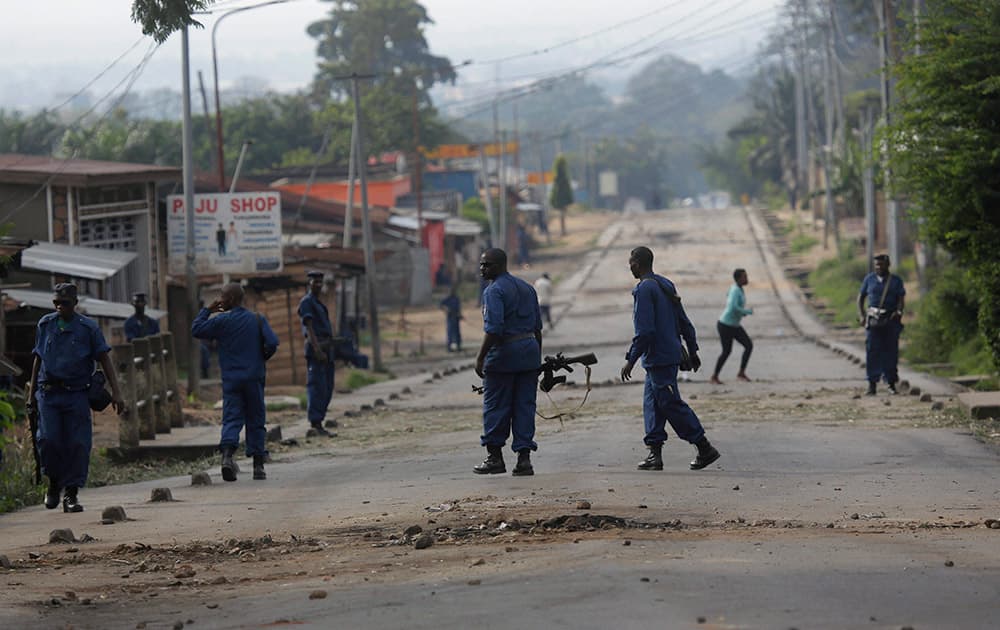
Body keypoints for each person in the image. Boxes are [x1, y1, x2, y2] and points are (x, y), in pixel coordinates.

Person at [25, 283, 124, 513]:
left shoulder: (88, 328)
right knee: (48, 440)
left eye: (65, 303)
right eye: (56, 303)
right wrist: (31, 396)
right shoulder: (45, 324)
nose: (60, 307)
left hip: (77, 393)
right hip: (48, 393)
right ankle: (53, 483)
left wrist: (117, 392)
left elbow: (104, 358)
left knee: (78, 443)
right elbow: (37, 359)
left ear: (75, 303)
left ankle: (71, 492)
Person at [620, 246, 720, 472]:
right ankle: (654, 453)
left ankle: (703, 446)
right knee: (652, 404)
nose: (630, 267)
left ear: (637, 264)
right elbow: (684, 320)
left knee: (670, 403)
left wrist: (631, 359)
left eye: (631, 263)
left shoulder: (645, 289)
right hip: (663, 356)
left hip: (659, 357)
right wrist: (692, 350)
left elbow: (645, 331)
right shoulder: (665, 284)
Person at [192, 282, 279, 481]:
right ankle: (258, 467)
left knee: (232, 418)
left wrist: (208, 309)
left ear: (229, 300)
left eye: (221, 296)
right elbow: (272, 343)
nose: (220, 300)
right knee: (256, 419)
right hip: (254, 378)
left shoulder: (222, 321)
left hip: (232, 379)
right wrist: (261, 358)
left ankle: (227, 458)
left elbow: (196, 329)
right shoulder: (257, 319)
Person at [474, 248, 542, 477]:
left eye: (487, 265)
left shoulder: (493, 291)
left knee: (496, 406)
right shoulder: (527, 288)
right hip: (529, 352)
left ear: (500, 265)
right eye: (482, 264)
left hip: (504, 355)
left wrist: (481, 357)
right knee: (525, 406)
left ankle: (495, 457)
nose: (482, 269)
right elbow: (537, 328)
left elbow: (494, 329)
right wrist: (536, 358)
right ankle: (524, 460)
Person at [857, 254, 906, 395]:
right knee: (872, 351)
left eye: (881, 264)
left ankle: (891, 383)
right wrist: (862, 315)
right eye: (876, 265)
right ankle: (872, 384)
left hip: (890, 320)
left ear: (888, 265)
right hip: (873, 321)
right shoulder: (869, 279)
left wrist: (899, 312)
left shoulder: (896, 281)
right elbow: (860, 298)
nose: (878, 267)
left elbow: (901, 299)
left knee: (890, 352)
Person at [297, 271, 336, 436]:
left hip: (326, 348)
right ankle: (315, 422)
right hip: (316, 349)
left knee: (327, 386)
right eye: (315, 282)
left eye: (321, 282)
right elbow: (309, 327)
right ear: (309, 283)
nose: (318, 285)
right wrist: (317, 349)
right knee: (317, 386)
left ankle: (320, 420)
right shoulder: (307, 302)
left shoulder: (318, 303)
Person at [709, 268, 754, 384]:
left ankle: (741, 373)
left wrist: (741, 312)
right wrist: (746, 312)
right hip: (725, 325)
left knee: (748, 345)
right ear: (738, 279)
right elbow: (733, 307)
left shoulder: (738, 289)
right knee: (726, 351)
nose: (747, 278)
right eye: (744, 277)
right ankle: (714, 376)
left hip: (734, 325)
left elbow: (728, 297)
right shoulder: (735, 290)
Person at [439, 287, 463, 352]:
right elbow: (440, 305)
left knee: (457, 333)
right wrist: (446, 309)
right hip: (450, 317)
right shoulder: (447, 298)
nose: (452, 292)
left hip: (456, 317)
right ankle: (449, 347)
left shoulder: (456, 298)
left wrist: (460, 315)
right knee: (450, 332)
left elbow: (459, 308)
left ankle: (458, 346)